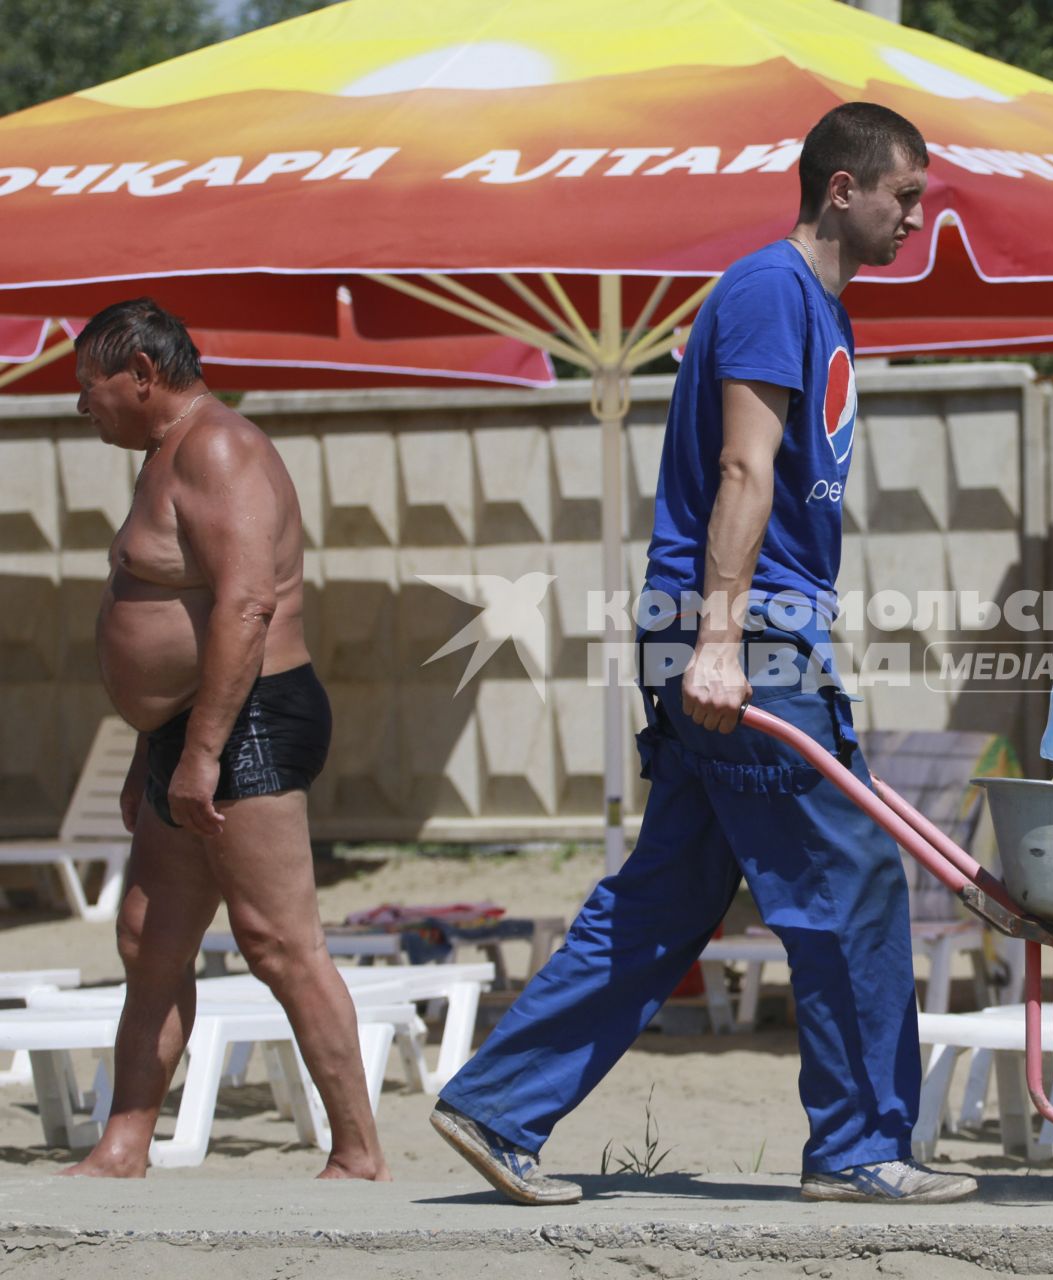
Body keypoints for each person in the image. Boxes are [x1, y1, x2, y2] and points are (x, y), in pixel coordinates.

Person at [431, 103, 975, 1206]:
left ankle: (495, 1104)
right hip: (744, 636)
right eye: (904, 194)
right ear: (841, 188)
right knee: (852, 876)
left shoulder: (816, 306)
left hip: (733, 629)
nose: (919, 215)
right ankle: (863, 1148)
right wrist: (721, 639)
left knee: (670, 895)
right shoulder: (777, 291)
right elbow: (741, 471)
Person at [67, 298, 388, 1180]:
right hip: (190, 726)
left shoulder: (216, 447)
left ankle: (358, 1152)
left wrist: (203, 752)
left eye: (89, 388)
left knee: (278, 940)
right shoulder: (163, 456)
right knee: (148, 936)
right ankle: (125, 1142)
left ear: (141, 372)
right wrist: (150, 749)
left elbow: (247, 606)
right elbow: (182, 611)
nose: (81, 406)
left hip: (245, 720)